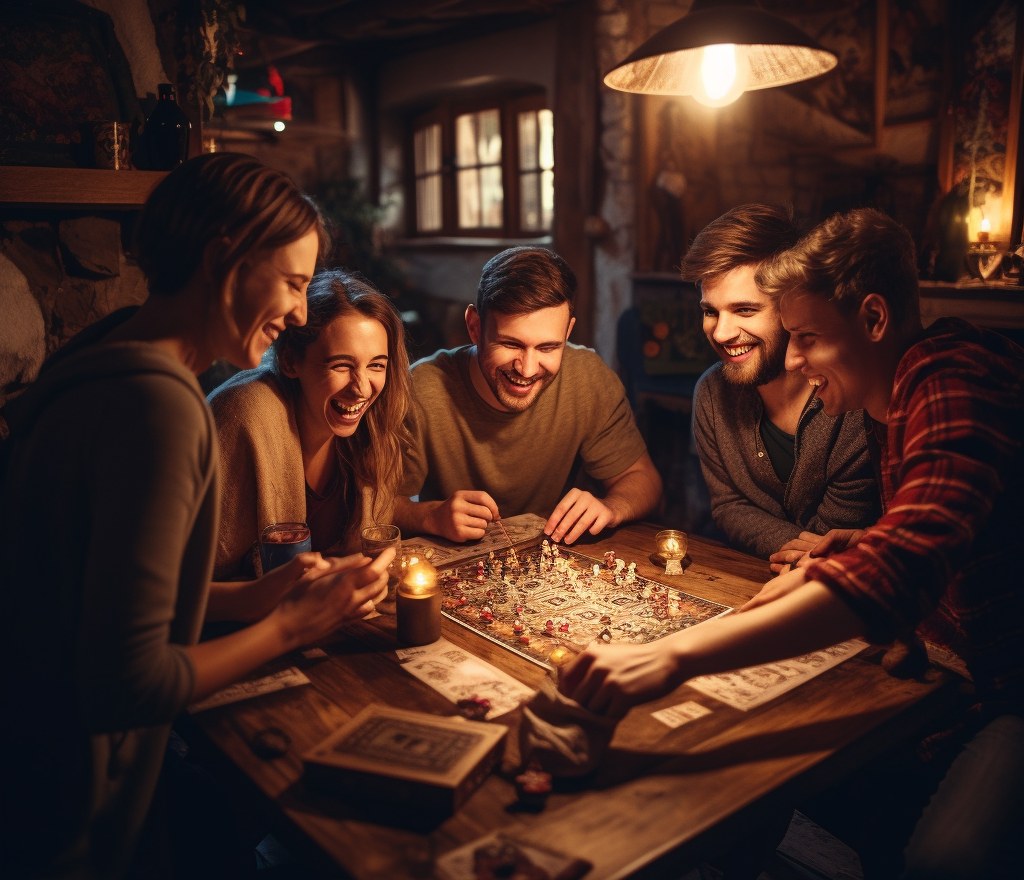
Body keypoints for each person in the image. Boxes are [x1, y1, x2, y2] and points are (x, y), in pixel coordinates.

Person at [563, 208, 1024, 880]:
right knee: (762, 765)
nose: (799, 362)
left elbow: (907, 559)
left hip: (1009, 688)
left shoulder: (949, 376)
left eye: (807, 337)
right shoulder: (892, 399)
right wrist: (837, 552)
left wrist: (673, 656)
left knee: (944, 872)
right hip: (957, 676)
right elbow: (901, 537)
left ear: (872, 318)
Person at [0, 154, 393, 880]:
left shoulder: (97, 354)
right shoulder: (161, 408)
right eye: (289, 283)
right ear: (224, 259)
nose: (299, 314)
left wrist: (255, 595)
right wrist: (291, 625)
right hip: (68, 797)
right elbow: (125, 683)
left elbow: (99, 597)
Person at [394, 246, 662, 545]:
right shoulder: (420, 387)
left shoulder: (588, 378)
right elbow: (373, 506)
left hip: (555, 566)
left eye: (548, 348)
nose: (527, 369)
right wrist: (429, 516)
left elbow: (643, 479)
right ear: (474, 327)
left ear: (568, 330)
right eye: (511, 344)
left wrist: (611, 508)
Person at [684, 204, 879, 568]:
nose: (721, 333)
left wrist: (806, 554)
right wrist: (794, 548)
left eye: (745, 310)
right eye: (710, 311)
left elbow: (832, 541)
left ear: (792, 308)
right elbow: (728, 506)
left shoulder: (851, 402)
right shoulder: (711, 394)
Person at [207, 270, 410, 599]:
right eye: (341, 365)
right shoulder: (245, 415)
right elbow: (184, 584)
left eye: (376, 365)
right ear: (290, 361)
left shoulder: (372, 434)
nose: (361, 388)